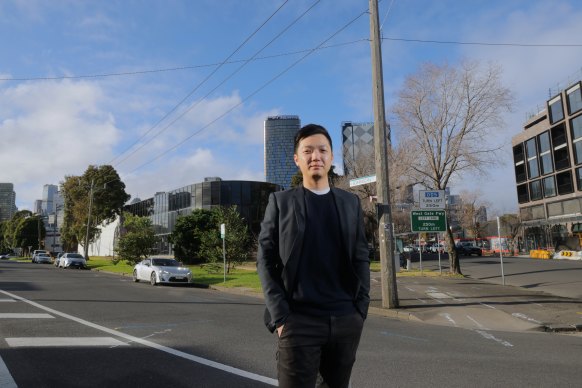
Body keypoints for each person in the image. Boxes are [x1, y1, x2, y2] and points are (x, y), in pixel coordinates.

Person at [257, 123, 370, 388]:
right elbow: (265, 259)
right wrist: (281, 316)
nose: (315, 156)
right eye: (308, 151)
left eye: (322, 150)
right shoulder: (281, 202)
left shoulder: (350, 203)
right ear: (297, 159)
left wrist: (360, 309)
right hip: (298, 320)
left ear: (331, 157)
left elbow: (361, 256)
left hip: (345, 320)